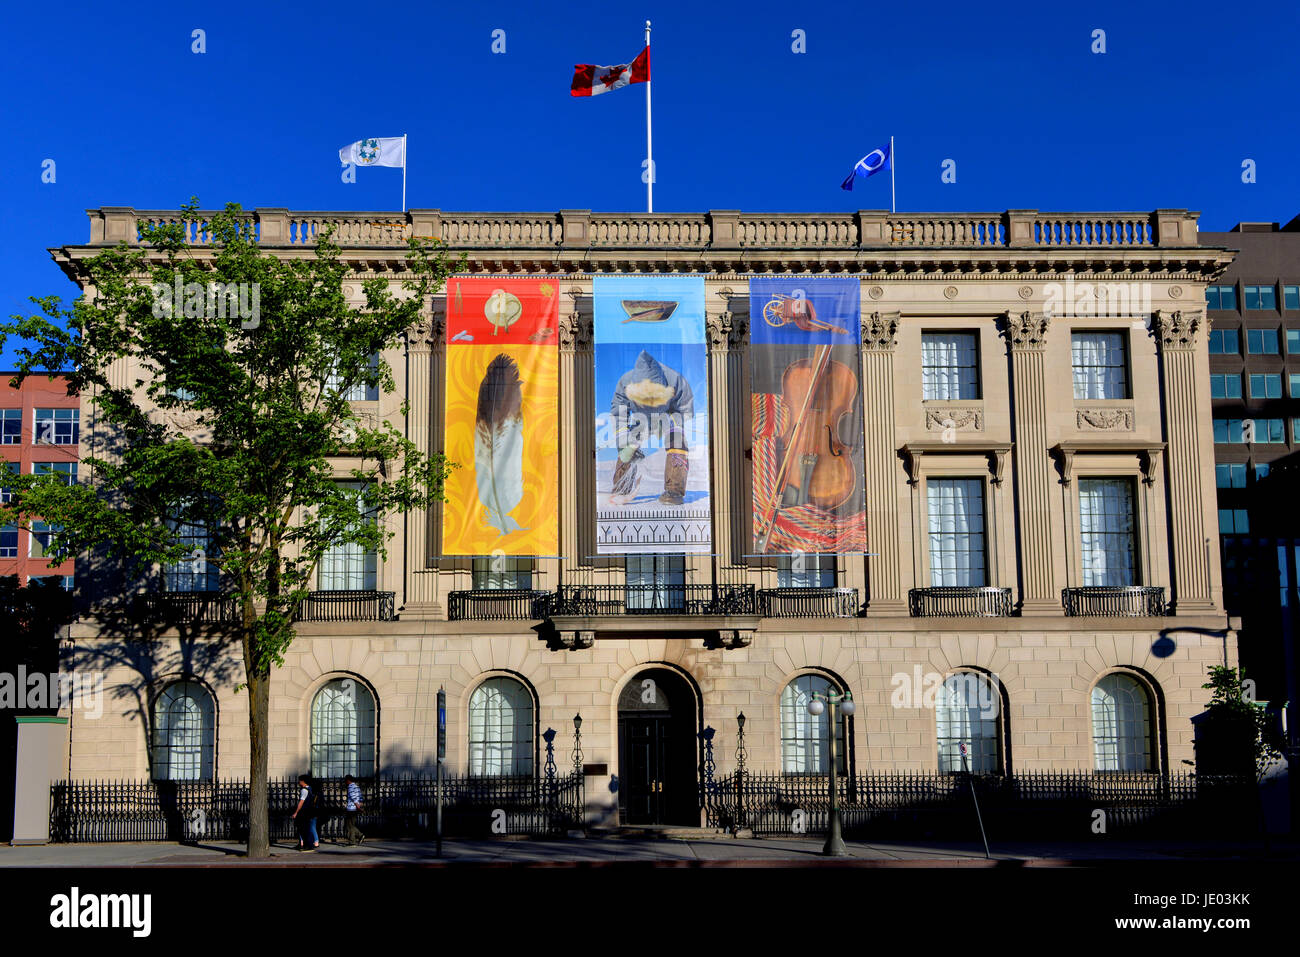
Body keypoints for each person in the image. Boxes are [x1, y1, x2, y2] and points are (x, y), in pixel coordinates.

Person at [291, 773, 319, 851]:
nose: (299, 782)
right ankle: (302, 844)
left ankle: (308, 845)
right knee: (305, 828)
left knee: (303, 829)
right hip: (308, 811)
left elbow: (301, 802)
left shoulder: (304, 790)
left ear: (303, 781)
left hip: (304, 811)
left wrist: (296, 812)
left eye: (300, 780)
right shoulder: (310, 788)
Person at [342, 774, 366, 846]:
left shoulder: (350, 787)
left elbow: (353, 797)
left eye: (346, 781)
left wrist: (357, 805)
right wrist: (360, 804)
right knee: (350, 824)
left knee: (350, 825)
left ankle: (352, 841)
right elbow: (360, 797)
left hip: (351, 808)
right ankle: (360, 835)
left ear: (348, 780)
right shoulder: (357, 787)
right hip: (355, 808)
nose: (345, 782)